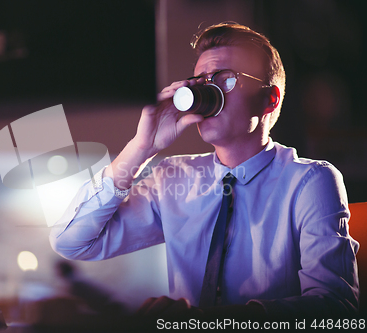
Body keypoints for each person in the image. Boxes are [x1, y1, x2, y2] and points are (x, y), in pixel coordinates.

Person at [49, 23, 359, 320]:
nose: (208, 93)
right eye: (201, 82)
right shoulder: (172, 177)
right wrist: (142, 147)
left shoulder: (309, 182)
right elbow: (72, 242)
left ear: (268, 99)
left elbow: (335, 306)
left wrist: (208, 321)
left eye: (224, 79)